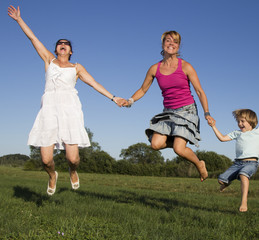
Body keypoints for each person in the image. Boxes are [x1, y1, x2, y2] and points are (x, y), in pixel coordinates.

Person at [8, 5, 125, 196]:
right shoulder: (49, 60)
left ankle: (72, 171)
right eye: (59, 43)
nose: (63, 45)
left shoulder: (77, 68)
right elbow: (33, 38)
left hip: (70, 110)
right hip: (48, 111)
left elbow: (94, 83)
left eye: (67, 43)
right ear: (56, 49)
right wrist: (19, 20)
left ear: (70, 50)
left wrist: (113, 98)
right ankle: (52, 175)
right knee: (45, 160)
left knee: (73, 158)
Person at [122, 31, 215, 181]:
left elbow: (199, 91)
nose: (171, 44)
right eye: (168, 41)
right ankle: (180, 138)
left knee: (179, 149)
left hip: (187, 110)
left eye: (175, 42)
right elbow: (143, 89)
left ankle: (199, 164)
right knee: (155, 144)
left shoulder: (185, 66)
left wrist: (207, 113)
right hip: (168, 112)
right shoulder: (154, 68)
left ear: (178, 46)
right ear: (162, 44)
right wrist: (130, 100)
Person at [210, 109, 259, 212]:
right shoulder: (237, 133)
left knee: (243, 175)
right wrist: (213, 126)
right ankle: (227, 182)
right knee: (221, 180)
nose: (240, 124)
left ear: (251, 121)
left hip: (251, 163)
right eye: (238, 121)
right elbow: (222, 138)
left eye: (242, 121)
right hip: (237, 163)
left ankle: (244, 202)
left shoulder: (256, 132)